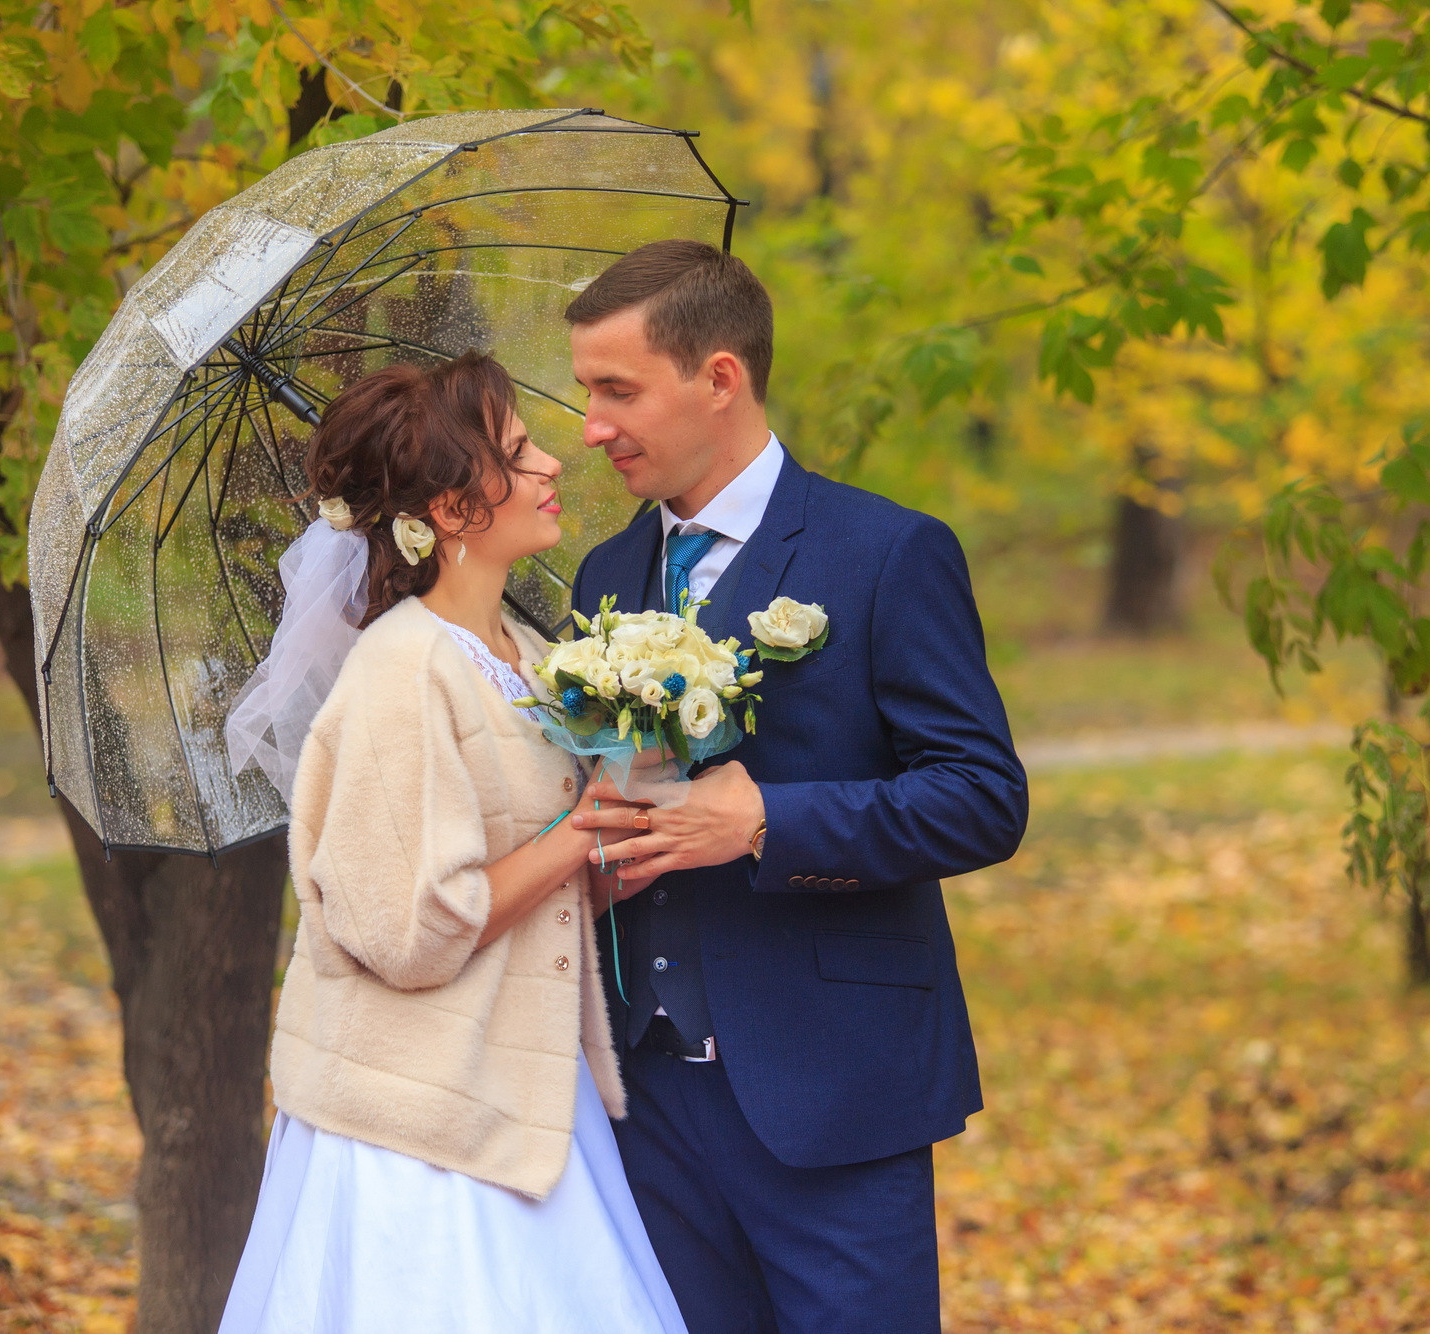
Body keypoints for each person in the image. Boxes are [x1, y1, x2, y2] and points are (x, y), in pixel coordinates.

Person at [564, 241, 1030, 1334]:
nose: (589, 425)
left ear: (717, 378)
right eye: (586, 391)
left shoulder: (886, 552)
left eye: (615, 389)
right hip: (644, 1095)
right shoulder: (600, 574)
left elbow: (979, 795)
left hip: (830, 1088)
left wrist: (768, 820)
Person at [217, 354, 686, 1334]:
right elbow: (412, 929)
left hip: (519, 1085)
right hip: (421, 1127)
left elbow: (532, 881)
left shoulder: (521, 653)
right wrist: (577, 836)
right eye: (517, 454)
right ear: (452, 509)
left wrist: (629, 802)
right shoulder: (400, 671)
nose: (554, 462)